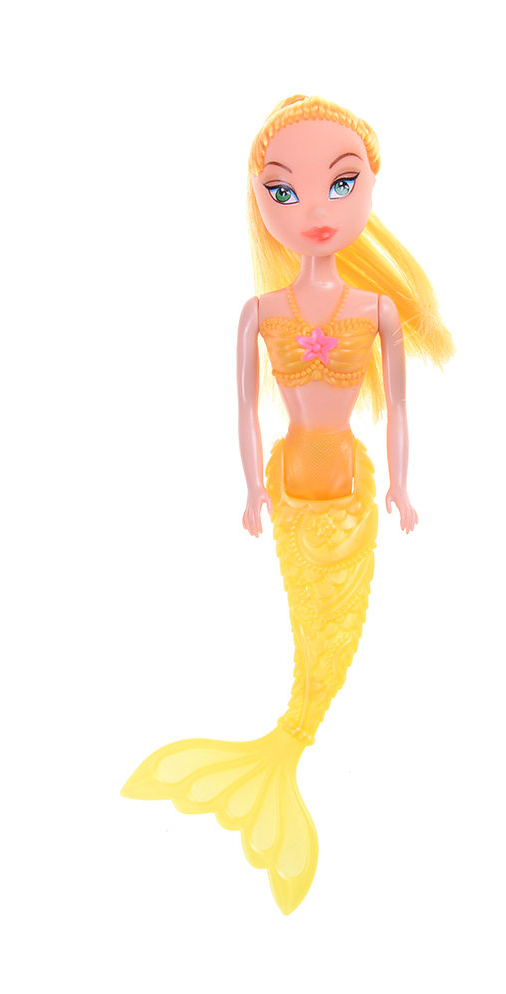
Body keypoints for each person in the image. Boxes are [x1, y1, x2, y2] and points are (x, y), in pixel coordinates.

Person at [123, 96, 453, 914]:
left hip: (348, 496)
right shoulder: (261, 314)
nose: (313, 208)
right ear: (260, 200)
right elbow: (243, 408)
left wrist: (401, 484)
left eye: (341, 184)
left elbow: (399, 410)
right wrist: (249, 487)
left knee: (331, 636)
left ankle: (288, 745)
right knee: (308, 621)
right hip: (291, 493)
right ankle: (280, 755)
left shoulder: (376, 312)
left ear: (372, 185)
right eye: (283, 190)